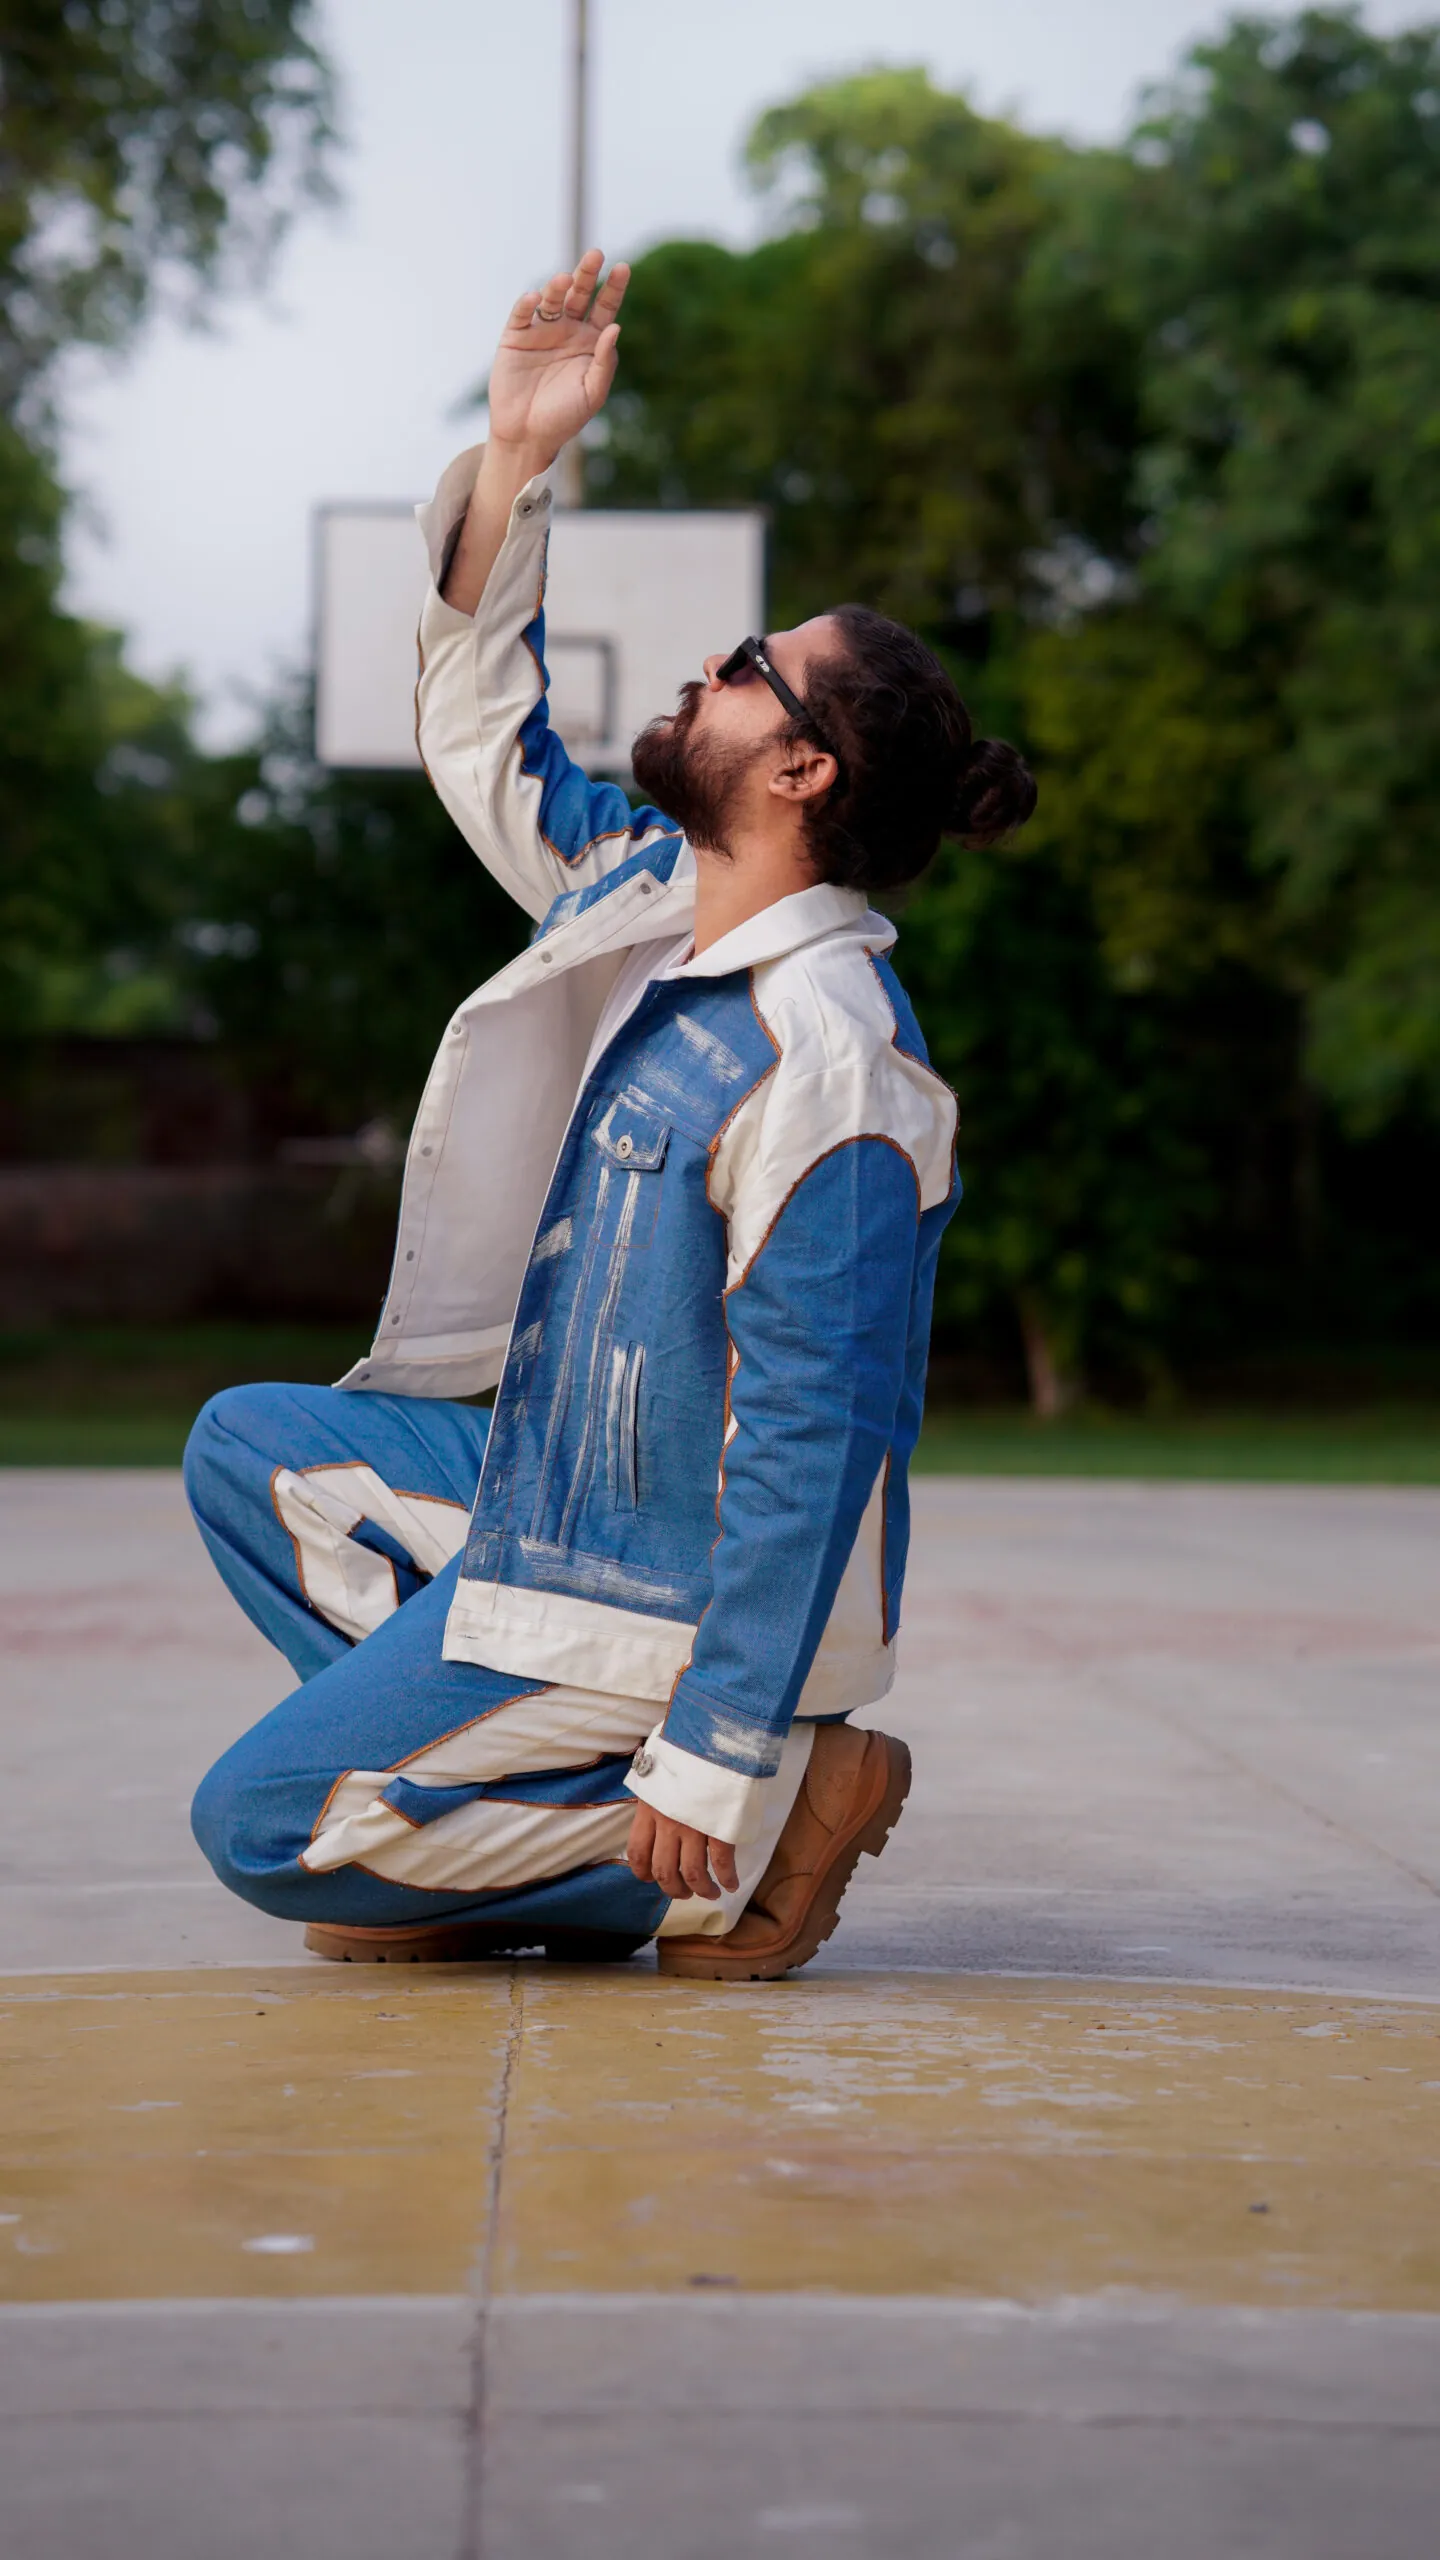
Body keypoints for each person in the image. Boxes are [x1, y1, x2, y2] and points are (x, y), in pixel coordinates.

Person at [185, 249, 1036, 1980]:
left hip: (678, 1588)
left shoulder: (836, 1060)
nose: (706, 670)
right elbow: (481, 729)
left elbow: (821, 1435)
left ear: (802, 770)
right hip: (550, 1503)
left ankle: (756, 1825)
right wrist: (516, 459)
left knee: (259, 1831)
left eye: (745, 666)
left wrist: (720, 1743)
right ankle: (460, 1849)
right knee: (252, 1456)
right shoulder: (645, 888)